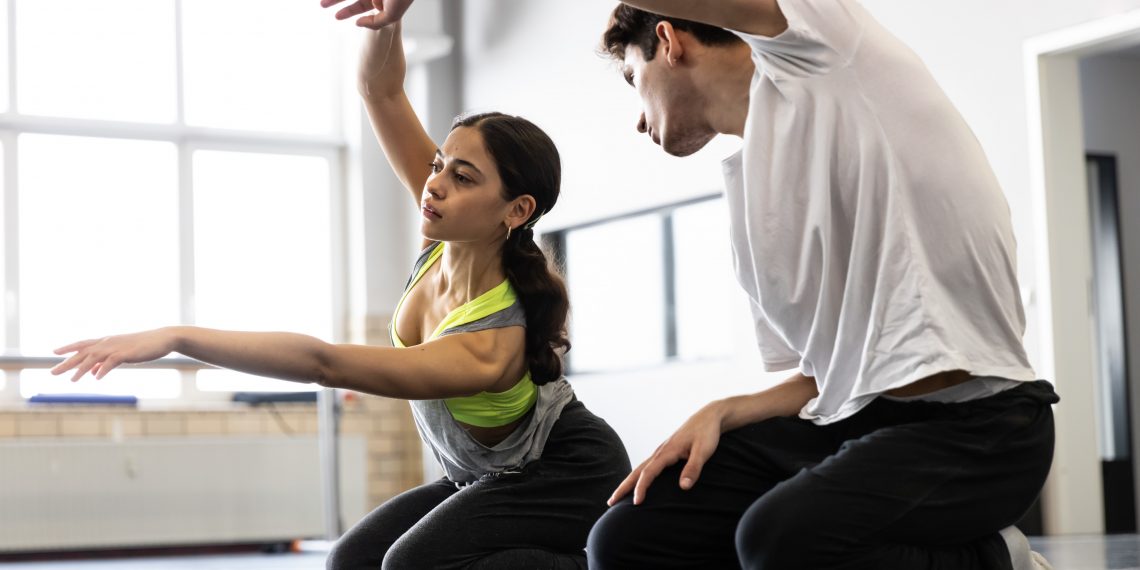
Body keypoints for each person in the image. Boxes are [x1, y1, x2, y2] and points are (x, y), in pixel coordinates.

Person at [324, 1, 1059, 569]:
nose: (637, 119)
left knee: (777, 540)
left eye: (633, 81)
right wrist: (726, 409)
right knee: (627, 538)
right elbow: (823, 378)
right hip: (857, 422)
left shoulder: (827, 55)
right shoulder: (752, 199)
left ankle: (990, 558)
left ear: (669, 40)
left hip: (980, 424)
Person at [52, 18, 630, 570]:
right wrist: (387, 21)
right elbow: (381, 90)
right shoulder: (445, 233)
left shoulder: (490, 345)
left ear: (517, 210)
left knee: (414, 563)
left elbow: (322, 363)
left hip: (568, 472)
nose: (434, 184)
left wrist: (179, 337)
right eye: (438, 164)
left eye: (462, 176)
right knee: (353, 560)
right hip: (486, 473)